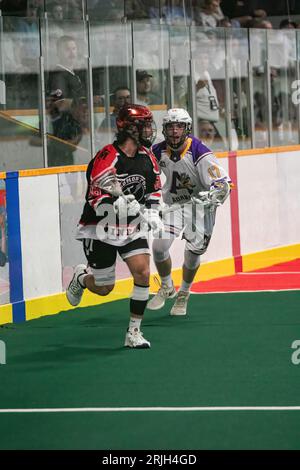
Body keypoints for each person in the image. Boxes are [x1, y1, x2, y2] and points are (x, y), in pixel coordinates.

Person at [66, 104, 163, 348]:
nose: (150, 130)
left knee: (142, 272)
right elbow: (95, 197)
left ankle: (133, 332)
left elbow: (154, 190)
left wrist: (152, 212)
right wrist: (116, 205)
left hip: (131, 227)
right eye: (145, 124)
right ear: (130, 128)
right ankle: (81, 277)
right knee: (104, 288)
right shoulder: (107, 157)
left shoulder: (147, 157)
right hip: (101, 228)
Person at [147, 108, 231, 316]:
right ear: (164, 129)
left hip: (200, 208)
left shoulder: (200, 151)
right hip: (174, 206)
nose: (175, 131)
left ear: (187, 128)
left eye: (179, 126)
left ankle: (184, 292)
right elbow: (146, 177)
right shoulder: (157, 151)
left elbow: (222, 183)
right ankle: (167, 286)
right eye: (170, 126)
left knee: (192, 255)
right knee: (158, 248)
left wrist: (215, 193)